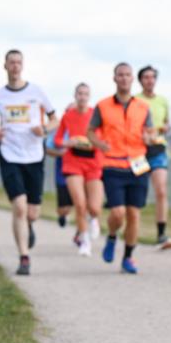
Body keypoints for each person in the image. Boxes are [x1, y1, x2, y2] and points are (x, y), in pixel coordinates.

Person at [0, 49, 57, 276]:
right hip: (9, 154)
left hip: (34, 155)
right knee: (19, 207)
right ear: (5, 66)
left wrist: (43, 128)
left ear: (22, 66)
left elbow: (55, 119)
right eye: (11, 62)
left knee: (32, 212)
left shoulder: (37, 92)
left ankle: (29, 226)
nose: (15, 66)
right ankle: (24, 257)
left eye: (18, 62)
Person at [88, 62, 154, 274]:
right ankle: (112, 236)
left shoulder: (143, 107)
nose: (124, 78)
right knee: (117, 213)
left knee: (134, 215)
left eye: (127, 75)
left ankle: (127, 257)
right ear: (114, 78)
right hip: (113, 165)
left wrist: (149, 137)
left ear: (132, 79)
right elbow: (90, 131)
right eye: (120, 75)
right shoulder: (103, 105)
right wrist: (99, 144)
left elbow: (150, 133)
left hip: (138, 165)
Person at [55, 83, 105, 256]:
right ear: (75, 96)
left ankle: (95, 219)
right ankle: (84, 241)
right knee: (79, 203)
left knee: (95, 207)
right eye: (79, 94)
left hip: (92, 162)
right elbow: (58, 139)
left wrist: (92, 142)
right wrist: (67, 142)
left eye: (85, 94)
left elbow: (104, 137)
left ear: (89, 96)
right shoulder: (68, 116)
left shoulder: (95, 115)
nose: (82, 97)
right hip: (72, 162)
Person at [135, 65, 171, 249]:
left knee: (161, 190)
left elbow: (166, 122)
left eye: (152, 77)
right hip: (139, 151)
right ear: (140, 80)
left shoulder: (162, 101)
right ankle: (132, 230)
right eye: (146, 77)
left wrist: (166, 127)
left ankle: (161, 234)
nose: (150, 80)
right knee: (137, 194)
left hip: (158, 149)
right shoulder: (135, 100)